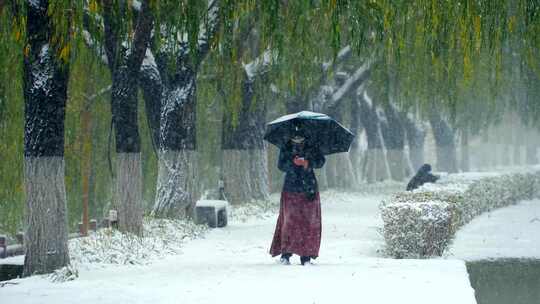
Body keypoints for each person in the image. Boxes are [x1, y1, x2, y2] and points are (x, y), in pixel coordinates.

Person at [269, 132, 326, 265]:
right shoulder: (286, 146)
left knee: (308, 222)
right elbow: (281, 165)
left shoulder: (312, 145)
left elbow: (320, 161)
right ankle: (286, 254)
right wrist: (293, 162)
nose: (297, 136)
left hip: (309, 188)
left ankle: (306, 256)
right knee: (289, 221)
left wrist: (307, 162)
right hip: (291, 187)